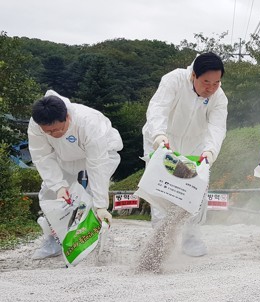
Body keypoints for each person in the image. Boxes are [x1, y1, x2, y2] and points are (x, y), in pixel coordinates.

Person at [142, 52, 227, 257]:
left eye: (216, 83)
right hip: (164, 138)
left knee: (195, 191)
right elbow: (158, 109)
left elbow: (217, 127)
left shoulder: (219, 97)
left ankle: (191, 236)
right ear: (193, 76)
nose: (211, 88)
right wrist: (159, 136)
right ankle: (161, 239)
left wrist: (210, 151)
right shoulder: (174, 80)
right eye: (206, 82)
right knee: (161, 189)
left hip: (195, 145)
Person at [28, 90, 123, 259]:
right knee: (50, 195)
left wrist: (101, 205)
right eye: (47, 132)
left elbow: (97, 164)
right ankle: (53, 240)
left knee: (92, 196)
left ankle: (89, 239)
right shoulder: (37, 125)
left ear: (68, 118)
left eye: (56, 130)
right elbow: (42, 156)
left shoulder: (89, 122)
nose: (52, 134)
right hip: (64, 156)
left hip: (102, 153)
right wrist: (59, 186)